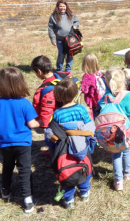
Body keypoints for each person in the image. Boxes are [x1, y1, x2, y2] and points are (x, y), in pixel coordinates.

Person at [44, 78, 95, 208]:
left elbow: (52, 132)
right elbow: (88, 126)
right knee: (85, 170)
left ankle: (68, 200)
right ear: (75, 93)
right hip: (82, 148)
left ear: (58, 96)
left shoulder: (57, 114)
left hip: (64, 150)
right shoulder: (82, 109)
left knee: (67, 177)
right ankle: (84, 193)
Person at [0, 67, 42, 213]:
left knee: (7, 166)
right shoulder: (24, 103)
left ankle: (5, 191)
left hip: (4, 143)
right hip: (23, 143)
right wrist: (41, 122)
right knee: (24, 170)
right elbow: (32, 124)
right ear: (21, 83)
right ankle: (28, 200)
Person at [98, 67, 130, 190]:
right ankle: (128, 171)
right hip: (127, 130)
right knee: (127, 149)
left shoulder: (104, 99)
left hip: (111, 131)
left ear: (107, 82)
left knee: (116, 153)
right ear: (124, 80)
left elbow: (98, 114)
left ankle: (118, 180)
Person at [48, 0, 80, 72]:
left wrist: (75, 25)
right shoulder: (53, 16)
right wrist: (53, 39)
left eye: (64, 6)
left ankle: (68, 70)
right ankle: (59, 69)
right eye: (60, 6)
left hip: (70, 39)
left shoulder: (70, 14)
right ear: (57, 7)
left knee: (70, 54)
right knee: (61, 54)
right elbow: (50, 28)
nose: (62, 8)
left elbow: (77, 21)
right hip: (60, 40)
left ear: (66, 6)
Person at [81, 53, 106, 119]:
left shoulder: (87, 76)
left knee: (96, 117)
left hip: (93, 100)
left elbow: (84, 90)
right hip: (101, 98)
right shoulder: (99, 73)